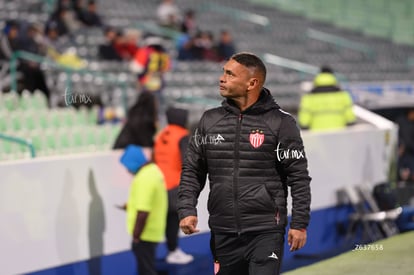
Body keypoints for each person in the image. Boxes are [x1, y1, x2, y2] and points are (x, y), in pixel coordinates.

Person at [177, 52, 311, 275]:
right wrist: (186, 209)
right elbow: (193, 170)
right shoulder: (209, 120)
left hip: (266, 230)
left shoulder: (281, 123)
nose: (222, 78)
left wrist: (299, 223)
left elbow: (298, 177)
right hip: (223, 231)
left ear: (252, 83)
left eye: (230, 74)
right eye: (223, 72)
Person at [154, 107, 194, 264]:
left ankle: (171, 250)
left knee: (165, 219)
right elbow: (187, 161)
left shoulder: (161, 135)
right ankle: (173, 251)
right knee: (173, 220)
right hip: (175, 184)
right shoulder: (182, 136)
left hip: (159, 183)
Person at [119, 144, 168, 275]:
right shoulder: (153, 171)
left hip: (145, 234)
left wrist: (136, 237)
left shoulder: (144, 179)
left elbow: (143, 212)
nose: (128, 170)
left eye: (127, 166)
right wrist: (130, 206)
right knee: (147, 267)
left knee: (146, 270)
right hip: (153, 230)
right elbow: (149, 202)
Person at [298, 66, 356, 131]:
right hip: (339, 131)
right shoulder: (343, 95)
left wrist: (304, 126)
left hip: (317, 133)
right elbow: (349, 115)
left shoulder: (309, 97)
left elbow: (305, 115)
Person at [396, 107, 414, 183]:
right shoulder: (401, 121)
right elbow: (399, 136)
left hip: (410, 153)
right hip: (401, 153)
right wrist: (400, 146)